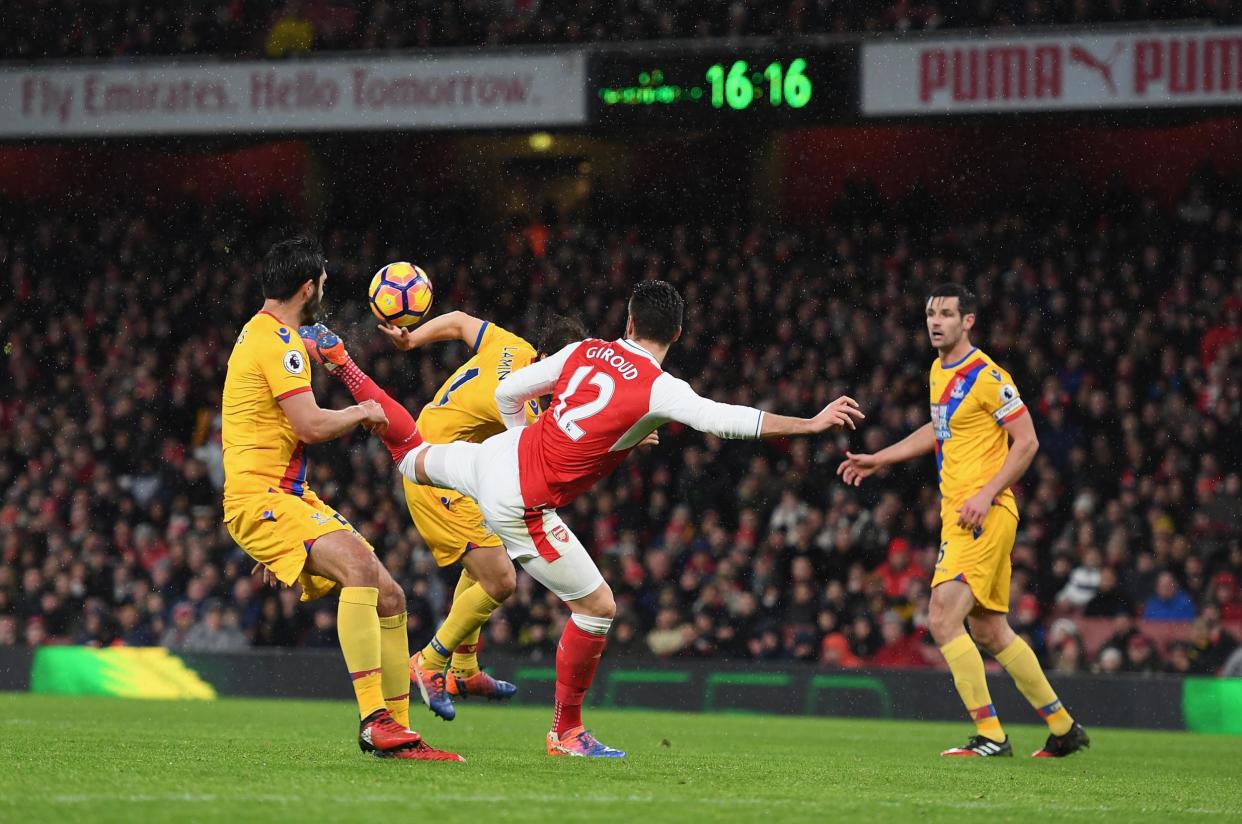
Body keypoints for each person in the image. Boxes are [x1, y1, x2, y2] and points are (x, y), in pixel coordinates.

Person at [322, 280, 863, 757]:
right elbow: (728, 421)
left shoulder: (586, 350)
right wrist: (811, 424)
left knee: (407, 454)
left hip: (487, 460)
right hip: (522, 502)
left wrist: (519, 440)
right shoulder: (659, 387)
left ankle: (342, 362)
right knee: (597, 608)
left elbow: (509, 391)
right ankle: (565, 731)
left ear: (628, 320)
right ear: (674, 335)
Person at [221, 236, 459, 762]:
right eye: (323, 283)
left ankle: (398, 733)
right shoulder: (277, 343)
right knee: (357, 568)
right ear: (308, 287)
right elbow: (309, 423)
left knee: (390, 594)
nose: (325, 290)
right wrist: (360, 413)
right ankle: (374, 721)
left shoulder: (264, 334)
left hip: (284, 496)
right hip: (263, 497)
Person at [838, 283, 1089, 759]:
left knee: (941, 617)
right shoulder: (939, 371)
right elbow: (940, 428)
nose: (936, 322)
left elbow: (1028, 441)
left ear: (968, 321)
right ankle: (1063, 727)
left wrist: (987, 493)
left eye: (947, 314)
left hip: (982, 513)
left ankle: (991, 735)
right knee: (991, 631)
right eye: (931, 313)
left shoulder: (988, 376)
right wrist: (881, 459)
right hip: (963, 513)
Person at [301, 309, 586, 722]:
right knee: (502, 579)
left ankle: (464, 671)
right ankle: (431, 662)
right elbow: (546, 459)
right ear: (544, 358)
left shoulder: (512, 347)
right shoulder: (522, 403)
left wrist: (411, 340)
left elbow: (457, 321)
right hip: (435, 472)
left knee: (486, 562)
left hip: (454, 464)